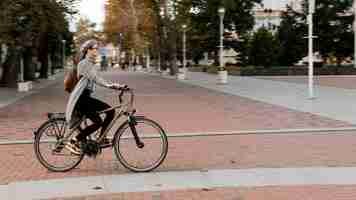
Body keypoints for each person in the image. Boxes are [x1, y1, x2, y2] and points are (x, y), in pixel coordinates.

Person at [65, 39, 126, 155]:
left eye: (97, 48)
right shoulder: (84, 64)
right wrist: (111, 85)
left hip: (86, 98)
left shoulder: (91, 64)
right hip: (81, 99)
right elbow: (95, 78)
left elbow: (96, 77)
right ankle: (73, 141)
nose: (97, 50)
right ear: (88, 50)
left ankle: (101, 137)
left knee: (111, 111)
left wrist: (116, 86)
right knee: (98, 121)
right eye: (95, 48)